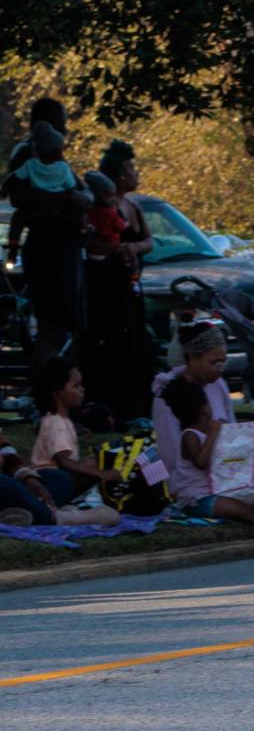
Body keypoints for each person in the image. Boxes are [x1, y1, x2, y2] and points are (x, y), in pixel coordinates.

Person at [151, 324, 254, 519]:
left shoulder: (219, 385)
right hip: (198, 480)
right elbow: (173, 457)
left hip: (230, 465)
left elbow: (232, 434)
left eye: (223, 362)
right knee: (253, 502)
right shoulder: (168, 397)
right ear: (193, 357)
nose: (220, 369)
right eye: (214, 362)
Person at [78, 141, 155, 423]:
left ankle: (137, 408)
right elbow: (91, 243)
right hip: (105, 286)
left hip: (131, 285)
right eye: (131, 169)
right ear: (120, 176)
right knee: (110, 346)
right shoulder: (98, 209)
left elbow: (147, 241)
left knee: (138, 344)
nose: (136, 173)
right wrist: (115, 251)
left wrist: (134, 249)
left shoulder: (134, 207)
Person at [4, 121, 89, 362]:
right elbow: (82, 198)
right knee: (57, 322)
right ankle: (54, 376)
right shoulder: (48, 170)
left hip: (45, 250)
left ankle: (56, 372)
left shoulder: (38, 172)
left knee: (52, 323)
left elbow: (83, 199)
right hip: (57, 253)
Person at [8, 357, 120, 526]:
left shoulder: (61, 420)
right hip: (50, 480)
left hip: (54, 478)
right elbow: (64, 461)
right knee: (85, 469)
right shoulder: (55, 422)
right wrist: (101, 474)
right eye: (76, 386)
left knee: (96, 460)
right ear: (57, 392)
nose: (82, 390)